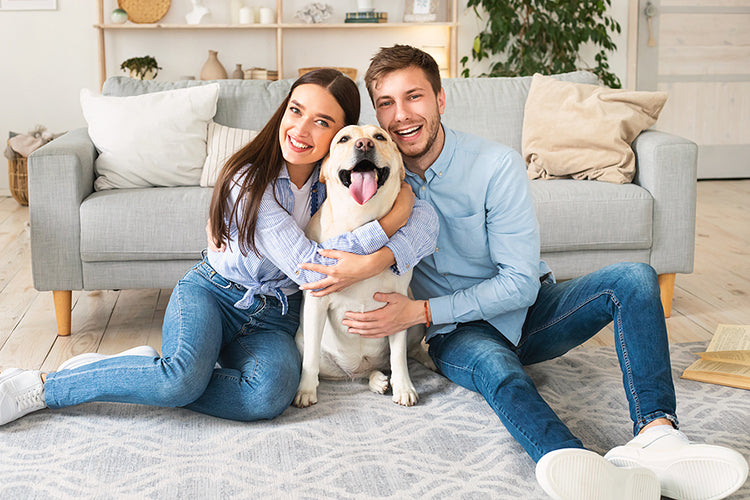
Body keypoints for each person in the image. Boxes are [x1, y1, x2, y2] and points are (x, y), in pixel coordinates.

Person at [301, 46, 748, 500]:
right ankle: (576, 465)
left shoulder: (495, 164)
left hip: (528, 309)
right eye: (386, 104)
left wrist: (418, 309)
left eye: (414, 97)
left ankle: (658, 436)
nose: (401, 116)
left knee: (634, 277)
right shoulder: (376, 176)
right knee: (500, 369)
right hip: (454, 331)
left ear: (440, 98)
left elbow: (518, 282)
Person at [0, 69, 438, 426]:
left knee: (267, 396)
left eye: (323, 122)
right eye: (296, 111)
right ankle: (43, 385)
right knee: (179, 381)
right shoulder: (249, 179)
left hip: (275, 317)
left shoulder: (338, 184)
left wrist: (402, 211)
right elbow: (313, 271)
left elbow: (428, 222)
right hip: (214, 292)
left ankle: (150, 370)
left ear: (335, 144)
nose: (301, 129)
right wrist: (389, 228)